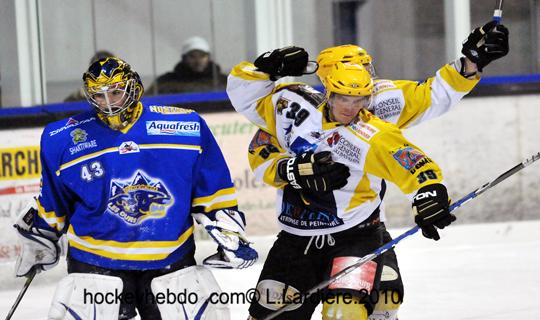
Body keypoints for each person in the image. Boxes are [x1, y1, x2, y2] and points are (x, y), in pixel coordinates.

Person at [227, 21, 508, 320]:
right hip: (296, 235)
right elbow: (259, 141)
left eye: (365, 76)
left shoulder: (376, 111)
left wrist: (470, 63)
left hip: (358, 229)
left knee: (363, 308)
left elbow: (415, 132)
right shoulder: (291, 105)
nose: (364, 90)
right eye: (347, 88)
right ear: (328, 85)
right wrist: (264, 70)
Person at [13, 57, 257, 320]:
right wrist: (40, 236)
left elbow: (212, 187)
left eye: (115, 92)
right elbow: (55, 200)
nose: (108, 103)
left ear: (133, 87)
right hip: (95, 264)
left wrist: (227, 229)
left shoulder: (185, 127)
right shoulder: (61, 138)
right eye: (99, 95)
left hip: (170, 260)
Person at [148, 36, 227, 95]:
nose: (197, 61)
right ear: (184, 58)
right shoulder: (166, 81)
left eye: (202, 56)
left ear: (209, 57)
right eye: (192, 56)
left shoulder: (223, 81)